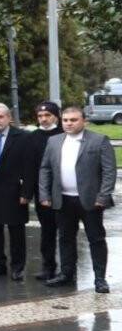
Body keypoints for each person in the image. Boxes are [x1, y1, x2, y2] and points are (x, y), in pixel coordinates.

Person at [39, 106, 115, 293]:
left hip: (90, 200)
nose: (69, 123)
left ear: (84, 121)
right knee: (65, 238)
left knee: (96, 239)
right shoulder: (54, 141)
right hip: (63, 199)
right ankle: (66, 274)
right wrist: (45, 194)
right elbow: (45, 169)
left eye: (73, 120)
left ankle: (100, 279)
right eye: (65, 120)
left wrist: (103, 196)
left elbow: (109, 171)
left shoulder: (99, 141)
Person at [0, 103, 37, 281]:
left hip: (14, 192)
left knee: (16, 230)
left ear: (9, 118)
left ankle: (18, 267)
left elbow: (29, 168)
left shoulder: (24, 137)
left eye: (0, 116)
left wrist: (26, 193)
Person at [30, 101, 64, 281]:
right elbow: (29, 167)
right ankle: (48, 267)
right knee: (47, 231)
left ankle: (67, 269)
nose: (43, 119)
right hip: (42, 193)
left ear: (56, 116)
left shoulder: (64, 134)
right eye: (40, 116)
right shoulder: (33, 137)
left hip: (64, 192)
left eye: (47, 116)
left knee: (66, 232)